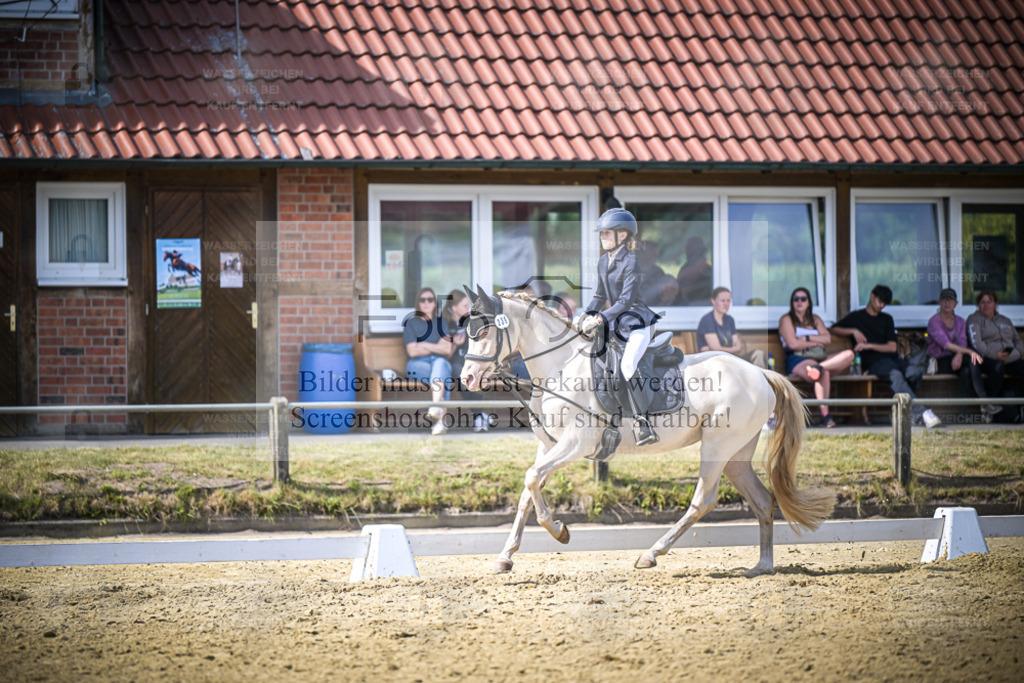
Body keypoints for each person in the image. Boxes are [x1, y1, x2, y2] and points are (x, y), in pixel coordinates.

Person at [572, 208, 661, 446]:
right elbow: (600, 295)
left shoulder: (631, 262)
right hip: (617, 323)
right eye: (601, 234)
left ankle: (643, 423)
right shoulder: (603, 261)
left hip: (638, 322)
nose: (602, 238)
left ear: (623, 236)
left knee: (628, 364)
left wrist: (600, 318)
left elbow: (625, 301)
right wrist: (584, 315)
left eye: (606, 234)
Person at [832, 284, 942, 428]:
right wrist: (853, 331)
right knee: (895, 376)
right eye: (880, 301)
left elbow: (893, 347)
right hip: (872, 362)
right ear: (872, 297)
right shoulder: (856, 317)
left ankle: (906, 412)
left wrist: (868, 345)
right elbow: (833, 329)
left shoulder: (886, 319)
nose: (882, 305)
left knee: (915, 372)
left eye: (885, 303)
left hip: (893, 359)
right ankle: (922, 412)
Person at [779, 287, 854, 428]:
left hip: (821, 358)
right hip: (797, 359)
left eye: (803, 299)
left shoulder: (815, 319)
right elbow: (793, 344)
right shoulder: (786, 319)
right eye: (796, 299)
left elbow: (827, 339)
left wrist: (805, 337)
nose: (799, 301)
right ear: (792, 302)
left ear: (809, 302)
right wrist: (816, 341)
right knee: (822, 373)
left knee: (849, 354)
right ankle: (825, 416)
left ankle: (819, 367)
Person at [926, 288, 999, 420]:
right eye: (944, 300)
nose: (947, 303)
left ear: (956, 303)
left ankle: (963, 414)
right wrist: (968, 352)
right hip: (940, 361)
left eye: (950, 300)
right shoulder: (934, 321)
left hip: (957, 359)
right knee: (971, 358)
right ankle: (984, 401)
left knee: (966, 370)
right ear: (939, 302)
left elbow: (962, 342)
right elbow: (945, 344)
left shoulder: (960, 321)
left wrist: (960, 354)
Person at [441, 289, 494, 432]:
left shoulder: (471, 321)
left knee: (477, 372)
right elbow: (445, 353)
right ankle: (479, 415)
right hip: (454, 361)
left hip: (472, 359)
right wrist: (455, 343)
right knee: (460, 373)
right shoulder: (445, 323)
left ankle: (478, 415)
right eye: (465, 306)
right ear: (454, 308)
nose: (468, 309)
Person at [403, 286, 454, 436]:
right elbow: (412, 351)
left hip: (438, 362)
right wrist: (435, 346)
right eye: (422, 300)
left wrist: (423, 344)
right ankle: (440, 421)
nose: (426, 303)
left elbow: (447, 349)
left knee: (441, 366)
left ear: (434, 304)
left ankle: (436, 409)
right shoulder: (411, 323)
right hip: (416, 365)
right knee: (442, 374)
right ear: (418, 303)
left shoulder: (441, 323)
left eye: (430, 299)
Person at [966, 289, 1024, 405]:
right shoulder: (974, 319)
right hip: (987, 359)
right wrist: (995, 355)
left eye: (989, 302)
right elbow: (977, 343)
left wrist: (1014, 355)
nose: (986, 305)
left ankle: (1021, 406)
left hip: (1010, 358)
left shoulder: (1005, 320)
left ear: (995, 304)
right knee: (998, 368)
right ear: (978, 305)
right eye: (983, 302)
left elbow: (1018, 341)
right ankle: (989, 405)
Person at [697, 287, 768, 369]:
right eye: (722, 300)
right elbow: (716, 349)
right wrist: (734, 349)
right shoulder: (707, 320)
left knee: (758, 354)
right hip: (716, 362)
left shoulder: (729, 320)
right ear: (713, 301)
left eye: (728, 300)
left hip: (732, 360)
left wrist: (725, 349)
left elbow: (739, 348)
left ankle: (760, 381)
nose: (726, 304)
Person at [675, 235, 713, 305]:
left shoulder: (707, 271)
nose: (686, 250)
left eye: (690, 248)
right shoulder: (685, 267)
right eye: (687, 248)